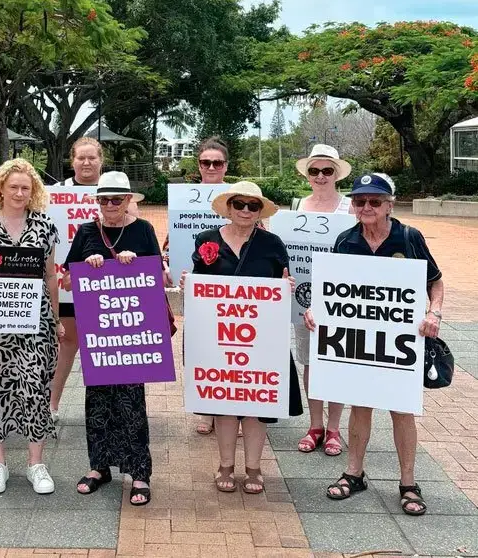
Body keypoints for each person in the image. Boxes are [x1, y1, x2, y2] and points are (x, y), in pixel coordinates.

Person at [304, 173, 443, 516]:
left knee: (400, 409)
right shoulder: (345, 240)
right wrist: (314, 309)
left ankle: (408, 483)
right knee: (360, 404)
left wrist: (434, 313)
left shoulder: (408, 237)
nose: (366, 207)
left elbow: (435, 283)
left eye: (375, 201)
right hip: (357, 341)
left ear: (389, 205)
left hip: (398, 341)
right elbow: (330, 289)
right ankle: (354, 473)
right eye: (359, 201)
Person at [180, 181, 302, 494]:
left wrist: (285, 289)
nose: (245, 211)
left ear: (260, 210)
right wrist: (188, 283)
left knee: (256, 403)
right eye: (239, 204)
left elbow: (282, 281)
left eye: (252, 205)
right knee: (224, 402)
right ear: (230, 207)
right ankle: (225, 465)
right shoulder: (206, 240)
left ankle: (254, 467)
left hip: (261, 338)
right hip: (220, 337)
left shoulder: (273, 243)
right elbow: (200, 284)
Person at [0, 158, 62, 495]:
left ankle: (36, 464)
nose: (19, 193)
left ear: (33, 191)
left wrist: (57, 319)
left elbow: (50, 275)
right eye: (13, 186)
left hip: (36, 324)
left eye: (26, 187)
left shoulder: (45, 227)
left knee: (35, 389)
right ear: (0, 188)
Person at [62, 171, 157, 506]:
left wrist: (133, 264)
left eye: (117, 198)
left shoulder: (143, 230)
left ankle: (139, 471)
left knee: (132, 403)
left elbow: (157, 275)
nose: (111, 204)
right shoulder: (87, 231)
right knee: (98, 402)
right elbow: (66, 281)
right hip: (98, 331)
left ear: (129, 200)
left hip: (132, 331)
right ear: (97, 202)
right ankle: (99, 466)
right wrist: (85, 267)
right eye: (104, 199)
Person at [53, 137, 140, 421]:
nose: (87, 162)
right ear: (72, 160)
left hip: (113, 286)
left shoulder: (117, 189)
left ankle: (110, 411)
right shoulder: (56, 193)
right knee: (67, 344)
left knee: (108, 346)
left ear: (101, 160)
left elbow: (136, 230)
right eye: (81, 158)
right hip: (70, 283)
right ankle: (51, 406)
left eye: (92, 158)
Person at [164, 136, 231, 436]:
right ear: (199, 165)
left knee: (232, 348)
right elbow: (173, 242)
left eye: (217, 162)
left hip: (232, 285)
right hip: (195, 283)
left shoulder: (238, 195)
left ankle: (231, 408)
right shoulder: (183, 198)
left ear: (226, 165)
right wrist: (170, 267)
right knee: (199, 347)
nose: (212, 167)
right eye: (206, 162)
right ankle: (206, 408)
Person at [292, 144, 353, 456]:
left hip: (341, 299)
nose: (320, 176)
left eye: (326, 170)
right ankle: (315, 424)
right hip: (304, 298)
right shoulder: (297, 205)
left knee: (336, 361)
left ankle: (334, 428)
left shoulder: (350, 209)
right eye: (314, 170)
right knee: (310, 362)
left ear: (336, 175)